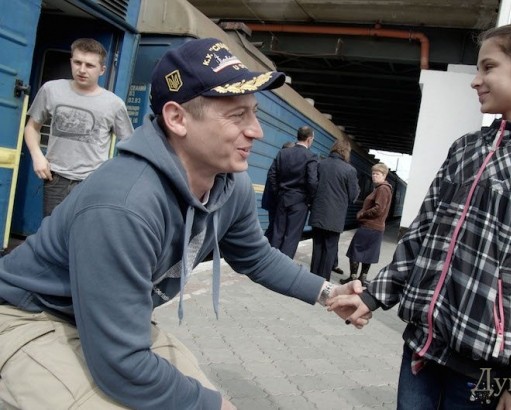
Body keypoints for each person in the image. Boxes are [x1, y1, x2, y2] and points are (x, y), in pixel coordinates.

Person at [0, 37, 370, 410]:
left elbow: (256, 257)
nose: (256, 130)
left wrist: (328, 292)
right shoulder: (124, 203)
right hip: (31, 316)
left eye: (254, 113)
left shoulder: (230, 184)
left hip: (104, 323)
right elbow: (122, 366)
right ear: (177, 118)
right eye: (237, 116)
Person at [328, 22, 511, 409]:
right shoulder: (465, 149)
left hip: (486, 371)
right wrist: (373, 296)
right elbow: (421, 236)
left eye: (488, 67)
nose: (475, 80)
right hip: (421, 350)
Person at [24, 38, 134, 216]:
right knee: (52, 229)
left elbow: (130, 144)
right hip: (55, 178)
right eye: (77, 62)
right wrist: (37, 156)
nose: (82, 70)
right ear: (71, 61)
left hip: (92, 181)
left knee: (85, 229)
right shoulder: (51, 90)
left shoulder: (114, 104)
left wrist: (112, 175)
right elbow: (32, 127)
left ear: (102, 70)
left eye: (89, 65)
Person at [309, 139, 359, 280]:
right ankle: (323, 282)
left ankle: (311, 280)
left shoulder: (321, 164)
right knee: (330, 250)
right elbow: (353, 196)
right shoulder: (350, 170)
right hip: (335, 218)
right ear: (346, 152)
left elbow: (312, 185)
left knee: (317, 248)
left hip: (318, 213)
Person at [268, 125, 319, 258]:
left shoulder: (283, 153)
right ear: (309, 139)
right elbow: (312, 181)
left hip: (282, 198)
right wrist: (310, 199)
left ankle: (271, 262)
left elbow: (272, 175)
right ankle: (284, 266)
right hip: (300, 202)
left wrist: (278, 192)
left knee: (277, 233)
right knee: (291, 236)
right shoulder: (311, 156)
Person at [339, 162, 392, 285]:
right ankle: (361, 280)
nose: (374, 176)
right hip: (376, 228)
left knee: (355, 252)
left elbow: (379, 209)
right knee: (368, 254)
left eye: (377, 174)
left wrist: (362, 214)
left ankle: (353, 279)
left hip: (369, 227)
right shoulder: (382, 188)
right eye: (373, 173)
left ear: (384, 175)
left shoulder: (383, 189)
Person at [262, 141, 295, 242]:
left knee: (274, 227)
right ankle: (264, 246)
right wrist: (278, 193)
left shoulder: (278, 159)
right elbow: (272, 177)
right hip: (274, 201)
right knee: (273, 227)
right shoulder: (280, 161)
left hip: (273, 200)